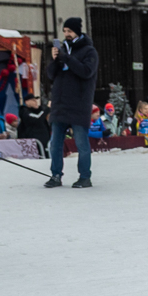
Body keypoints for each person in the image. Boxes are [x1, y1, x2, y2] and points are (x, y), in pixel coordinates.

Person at [45, 16, 98, 188]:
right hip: (60, 104)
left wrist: (67, 58)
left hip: (79, 104)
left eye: (69, 31)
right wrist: (55, 60)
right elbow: (51, 75)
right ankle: (55, 175)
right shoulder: (62, 50)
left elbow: (86, 71)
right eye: (65, 31)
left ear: (77, 31)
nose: (66, 34)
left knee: (81, 143)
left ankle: (85, 177)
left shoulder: (89, 51)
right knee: (55, 144)